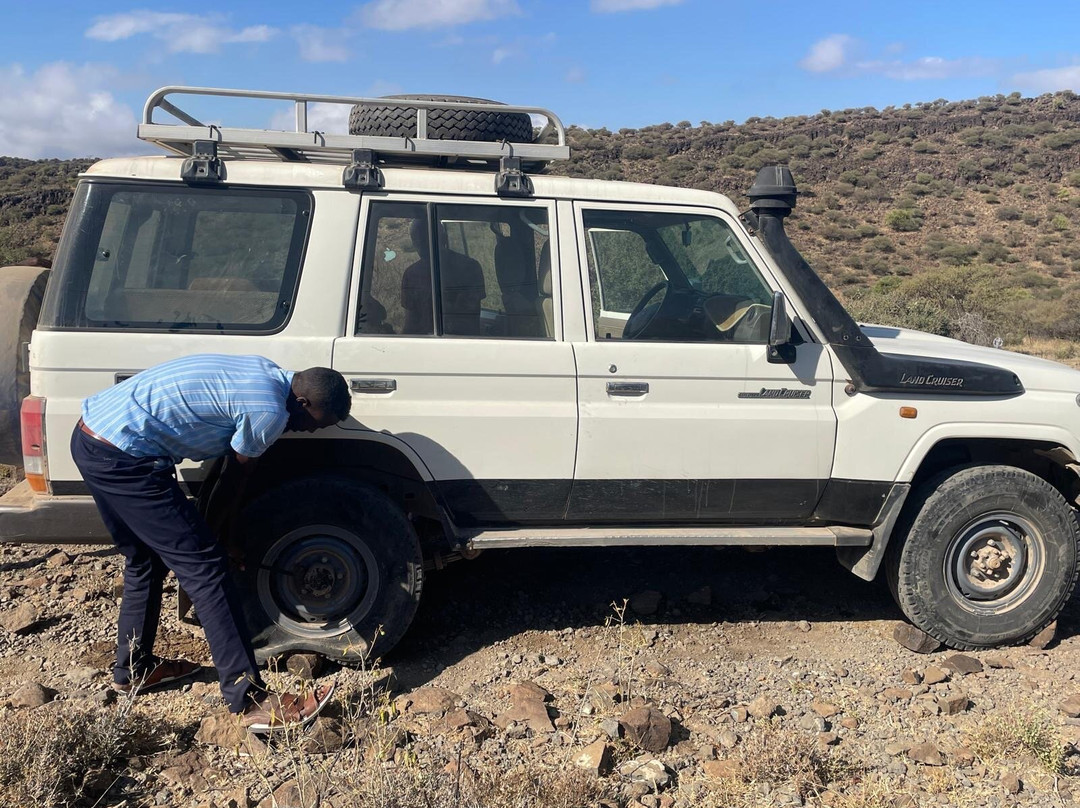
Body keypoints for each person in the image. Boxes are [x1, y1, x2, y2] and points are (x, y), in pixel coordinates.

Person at [71, 354, 351, 731]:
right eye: (317, 424)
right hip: (127, 458)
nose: (313, 432)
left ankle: (134, 670)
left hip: (92, 437)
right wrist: (217, 542)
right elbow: (232, 482)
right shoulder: (269, 411)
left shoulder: (267, 372)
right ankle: (250, 699)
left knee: (144, 559)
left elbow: (225, 477)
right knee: (208, 570)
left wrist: (220, 536)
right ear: (303, 402)